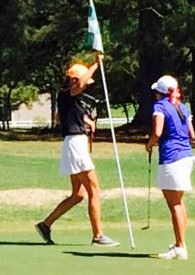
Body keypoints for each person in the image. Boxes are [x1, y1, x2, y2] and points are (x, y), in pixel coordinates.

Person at [35, 54, 119, 247]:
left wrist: (85, 121)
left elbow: (60, 117)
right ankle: (98, 235)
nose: (86, 85)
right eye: (83, 81)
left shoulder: (70, 97)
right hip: (75, 144)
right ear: (73, 79)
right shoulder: (68, 92)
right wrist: (96, 64)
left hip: (73, 143)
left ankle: (45, 224)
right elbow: (79, 86)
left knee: (78, 195)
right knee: (95, 191)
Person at [145, 75, 195, 260]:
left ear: (159, 92)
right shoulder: (182, 107)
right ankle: (180, 243)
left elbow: (157, 132)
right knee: (179, 202)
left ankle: (180, 247)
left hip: (172, 158)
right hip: (187, 157)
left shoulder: (160, 107)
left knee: (174, 203)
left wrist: (149, 144)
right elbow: (192, 134)